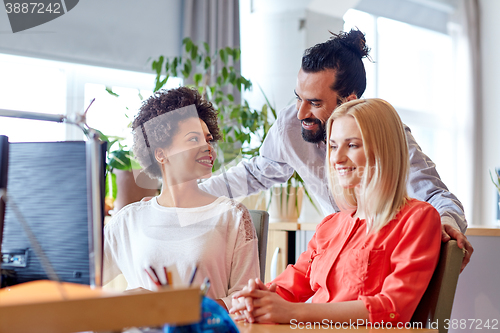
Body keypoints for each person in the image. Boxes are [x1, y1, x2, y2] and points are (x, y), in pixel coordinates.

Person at [199, 29, 472, 270]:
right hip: (336, 253)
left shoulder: (388, 134)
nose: (300, 112)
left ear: (348, 101)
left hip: (381, 261)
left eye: (315, 103)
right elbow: (255, 173)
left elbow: (436, 196)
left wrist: (445, 224)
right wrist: (191, 195)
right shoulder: (290, 126)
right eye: (298, 98)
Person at [230, 98, 442, 325]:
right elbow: (290, 286)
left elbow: (393, 309)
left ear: (384, 150)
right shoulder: (330, 225)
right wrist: (258, 298)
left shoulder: (418, 218)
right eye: (332, 146)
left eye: (352, 145)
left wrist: (294, 313)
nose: (336, 158)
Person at [103, 87, 260, 311]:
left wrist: (173, 305)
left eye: (208, 139)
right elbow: (81, 282)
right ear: (161, 154)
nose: (208, 148)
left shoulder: (232, 216)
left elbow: (245, 300)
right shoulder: (128, 220)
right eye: (193, 139)